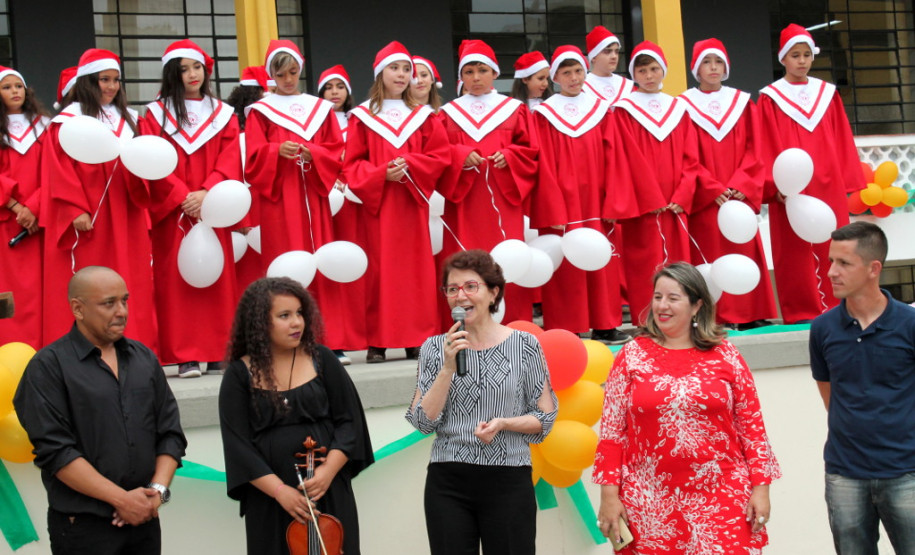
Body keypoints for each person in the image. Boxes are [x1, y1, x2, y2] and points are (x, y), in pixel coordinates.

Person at [593, 262, 780, 553]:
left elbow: (752, 428)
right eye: (657, 297)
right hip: (649, 502)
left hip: (723, 497)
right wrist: (608, 496)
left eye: (673, 298)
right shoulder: (631, 356)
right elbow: (611, 433)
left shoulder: (726, 355)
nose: (662, 306)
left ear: (696, 306)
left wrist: (761, 489)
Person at [13, 266, 186, 554]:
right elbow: (56, 452)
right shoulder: (49, 367)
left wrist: (157, 493)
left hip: (144, 520)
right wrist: (122, 500)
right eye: (109, 303)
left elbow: (170, 433)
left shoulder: (143, 358)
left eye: (125, 300)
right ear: (78, 309)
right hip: (82, 527)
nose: (121, 311)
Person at [406, 250, 557, 554]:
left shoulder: (525, 345)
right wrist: (448, 368)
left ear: (493, 293)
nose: (460, 297)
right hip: (448, 480)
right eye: (452, 289)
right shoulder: (435, 348)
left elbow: (545, 419)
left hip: (508, 479)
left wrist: (504, 423)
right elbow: (422, 421)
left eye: (470, 287)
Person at [219, 277, 373, 555]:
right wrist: (281, 492)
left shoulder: (323, 359)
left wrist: (327, 473)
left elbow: (350, 423)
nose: (297, 323)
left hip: (327, 491)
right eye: (284, 315)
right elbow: (238, 446)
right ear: (259, 323)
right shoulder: (238, 375)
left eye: (300, 313)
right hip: (270, 500)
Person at [530, 45, 657, 341]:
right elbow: (542, 161)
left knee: (603, 262)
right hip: (562, 201)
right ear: (555, 77)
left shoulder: (601, 111)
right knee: (565, 264)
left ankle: (605, 323)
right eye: (566, 72)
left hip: (596, 200)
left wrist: (614, 198)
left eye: (577, 71)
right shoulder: (544, 115)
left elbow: (616, 157)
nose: (573, 78)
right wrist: (552, 203)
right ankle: (567, 326)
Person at [245, 40, 356, 360]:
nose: (289, 80)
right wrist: (274, 151)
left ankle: (327, 340)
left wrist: (314, 152)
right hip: (280, 199)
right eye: (281, 75)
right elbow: (252, 158)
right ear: (272, 76)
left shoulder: (319, 109)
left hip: (313, 195)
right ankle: (286, 341)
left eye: (293, 72)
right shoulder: (260, 112)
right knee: (286, 265)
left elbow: (335, 150)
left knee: (322, 261)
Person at [41, 48, 158, 350]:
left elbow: (144, 162)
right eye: (104, 79)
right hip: (91, 214)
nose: (111, 86)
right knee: (91, 276)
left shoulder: (131, 119)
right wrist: (73, 207)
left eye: (116, 80)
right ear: (88, 82)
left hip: (126, 209)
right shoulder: (68, 121)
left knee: (131, 277)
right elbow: (57, 170)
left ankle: (135, 344)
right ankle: (88, 345)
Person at [809, 221, 915, 553]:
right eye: (830, 262)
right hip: (844, 475)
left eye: (843, 263)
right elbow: (830, 395)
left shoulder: (909, 325)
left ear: (874, 269)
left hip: (907, 473)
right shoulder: (823, 329)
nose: (831, 272)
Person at [343, 41, 449, 363]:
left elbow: (439, 156)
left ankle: (416, 338)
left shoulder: (423, 117)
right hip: (379, 207)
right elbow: (351, 164)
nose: (403, 75)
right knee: (379, 272)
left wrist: (412, 166)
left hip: (412, 204)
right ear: (380, 74)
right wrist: (380, 175)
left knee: (414, 272)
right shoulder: (363, 117)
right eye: (395, 68)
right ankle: (378, 340)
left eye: (407, 69)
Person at [144, 39, 242, 377]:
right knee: (176, 280)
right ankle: (184, 353)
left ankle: (218, 350)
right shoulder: (155, 114)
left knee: (217, 277)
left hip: (212, 207)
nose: (192, 74)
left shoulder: (222, 114)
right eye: (183, 69)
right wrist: (183, 195)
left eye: (196, 67)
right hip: (174, 210)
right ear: (172, 73)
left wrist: (206, 193)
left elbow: (230, 158)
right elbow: (152, 159)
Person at [757, 24, 865, 324]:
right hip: (791, 186)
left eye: (806, 54)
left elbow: (842, 138)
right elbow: (765, 143)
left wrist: (846, 178)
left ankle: (839, 307)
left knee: (835, 244)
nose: (802, 61)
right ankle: (801, 310)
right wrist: (773, 185)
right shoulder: (770, 98)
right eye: (795, 55)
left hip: (827, 179)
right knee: (792, 249)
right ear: (783, 59)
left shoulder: (827, 94)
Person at [438, 39, 539, 325]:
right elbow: (437, 152)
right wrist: (459, 154)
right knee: (464, 257)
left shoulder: (513, 109)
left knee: (506, 258)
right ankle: (464, 321)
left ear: (494, 73)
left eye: (482, 70)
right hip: (464, 201)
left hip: (502, 198)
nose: (476, 77)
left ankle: (512, 319)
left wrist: (510, 156)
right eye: (468, 72)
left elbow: (530, 150)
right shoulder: (448, 114)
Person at [679, 39, 777, 329]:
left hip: (737, 195)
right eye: (707, 62)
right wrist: (713, 188)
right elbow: (685, 156)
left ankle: (750, 314)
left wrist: (739, 185)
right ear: (696, 68)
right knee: (709, 251)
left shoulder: (743, 103)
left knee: (742, 247)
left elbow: (755, 149)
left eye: (718, 62)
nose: (713, 68)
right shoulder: (683, 106)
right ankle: (715, 316)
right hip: (708, 197)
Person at [613, 41, 705, 325]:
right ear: (634, 74)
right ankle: (646, 320)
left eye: (654, 69)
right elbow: (624, 159)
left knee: (677, 262)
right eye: (642, 70)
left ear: (663, 70)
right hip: (644, 206)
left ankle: (679, 318)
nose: (649, 75)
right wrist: (649, 197)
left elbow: (692, 157)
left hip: (675, 203)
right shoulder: (623, 111)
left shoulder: (678, 109)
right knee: (644, 263)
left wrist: (684, 193)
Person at [317, 64, 364, 363]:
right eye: (328, 87)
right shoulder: (316, 120)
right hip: (326, 195)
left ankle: (357, 329)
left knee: (352, 263)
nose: (335, 92)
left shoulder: (359, 121)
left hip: (352, 197)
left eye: (340, 87)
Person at [0, 65, 51, 349]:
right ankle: (10, 346)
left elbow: (53, 172)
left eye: (18, 86)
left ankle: (41, 349)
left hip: (39, 220)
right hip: (7, 219)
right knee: (10, 287)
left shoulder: (45, 126)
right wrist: (18, 207)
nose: (14, 92)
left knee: (41, 289)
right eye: (6, 87)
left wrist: (33, 207)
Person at [583, 25, 634, 104]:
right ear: (593, 56)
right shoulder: (583, 86)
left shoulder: (627, 86)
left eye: (616, 51)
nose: (614, 56)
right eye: (607, 52)